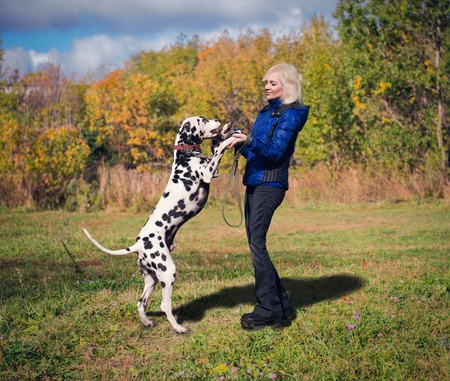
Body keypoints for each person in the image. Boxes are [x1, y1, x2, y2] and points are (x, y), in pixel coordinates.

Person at [227, 63, 310, 329]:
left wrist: (250, 141)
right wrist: (240, 145)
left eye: (273, 83)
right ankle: (281, 307)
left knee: (257, 244)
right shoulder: (266, 113)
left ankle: (267, 310)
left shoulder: (291, 115)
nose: (267, 87)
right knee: (255, 242)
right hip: (254, 182)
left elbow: (274, 154)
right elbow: (258, 153)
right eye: (266, 83)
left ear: (288, 86)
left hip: (270, 185)